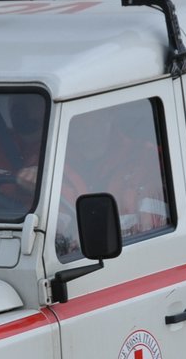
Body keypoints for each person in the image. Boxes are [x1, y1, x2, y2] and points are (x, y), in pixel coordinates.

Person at [54, 101, 171, 260]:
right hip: (73, 258)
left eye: (91, 119)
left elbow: (155, 239)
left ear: (109, 114)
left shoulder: (144, 159)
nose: (83, 131)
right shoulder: (53, 163)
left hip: (129, 259)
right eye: (77, 123)